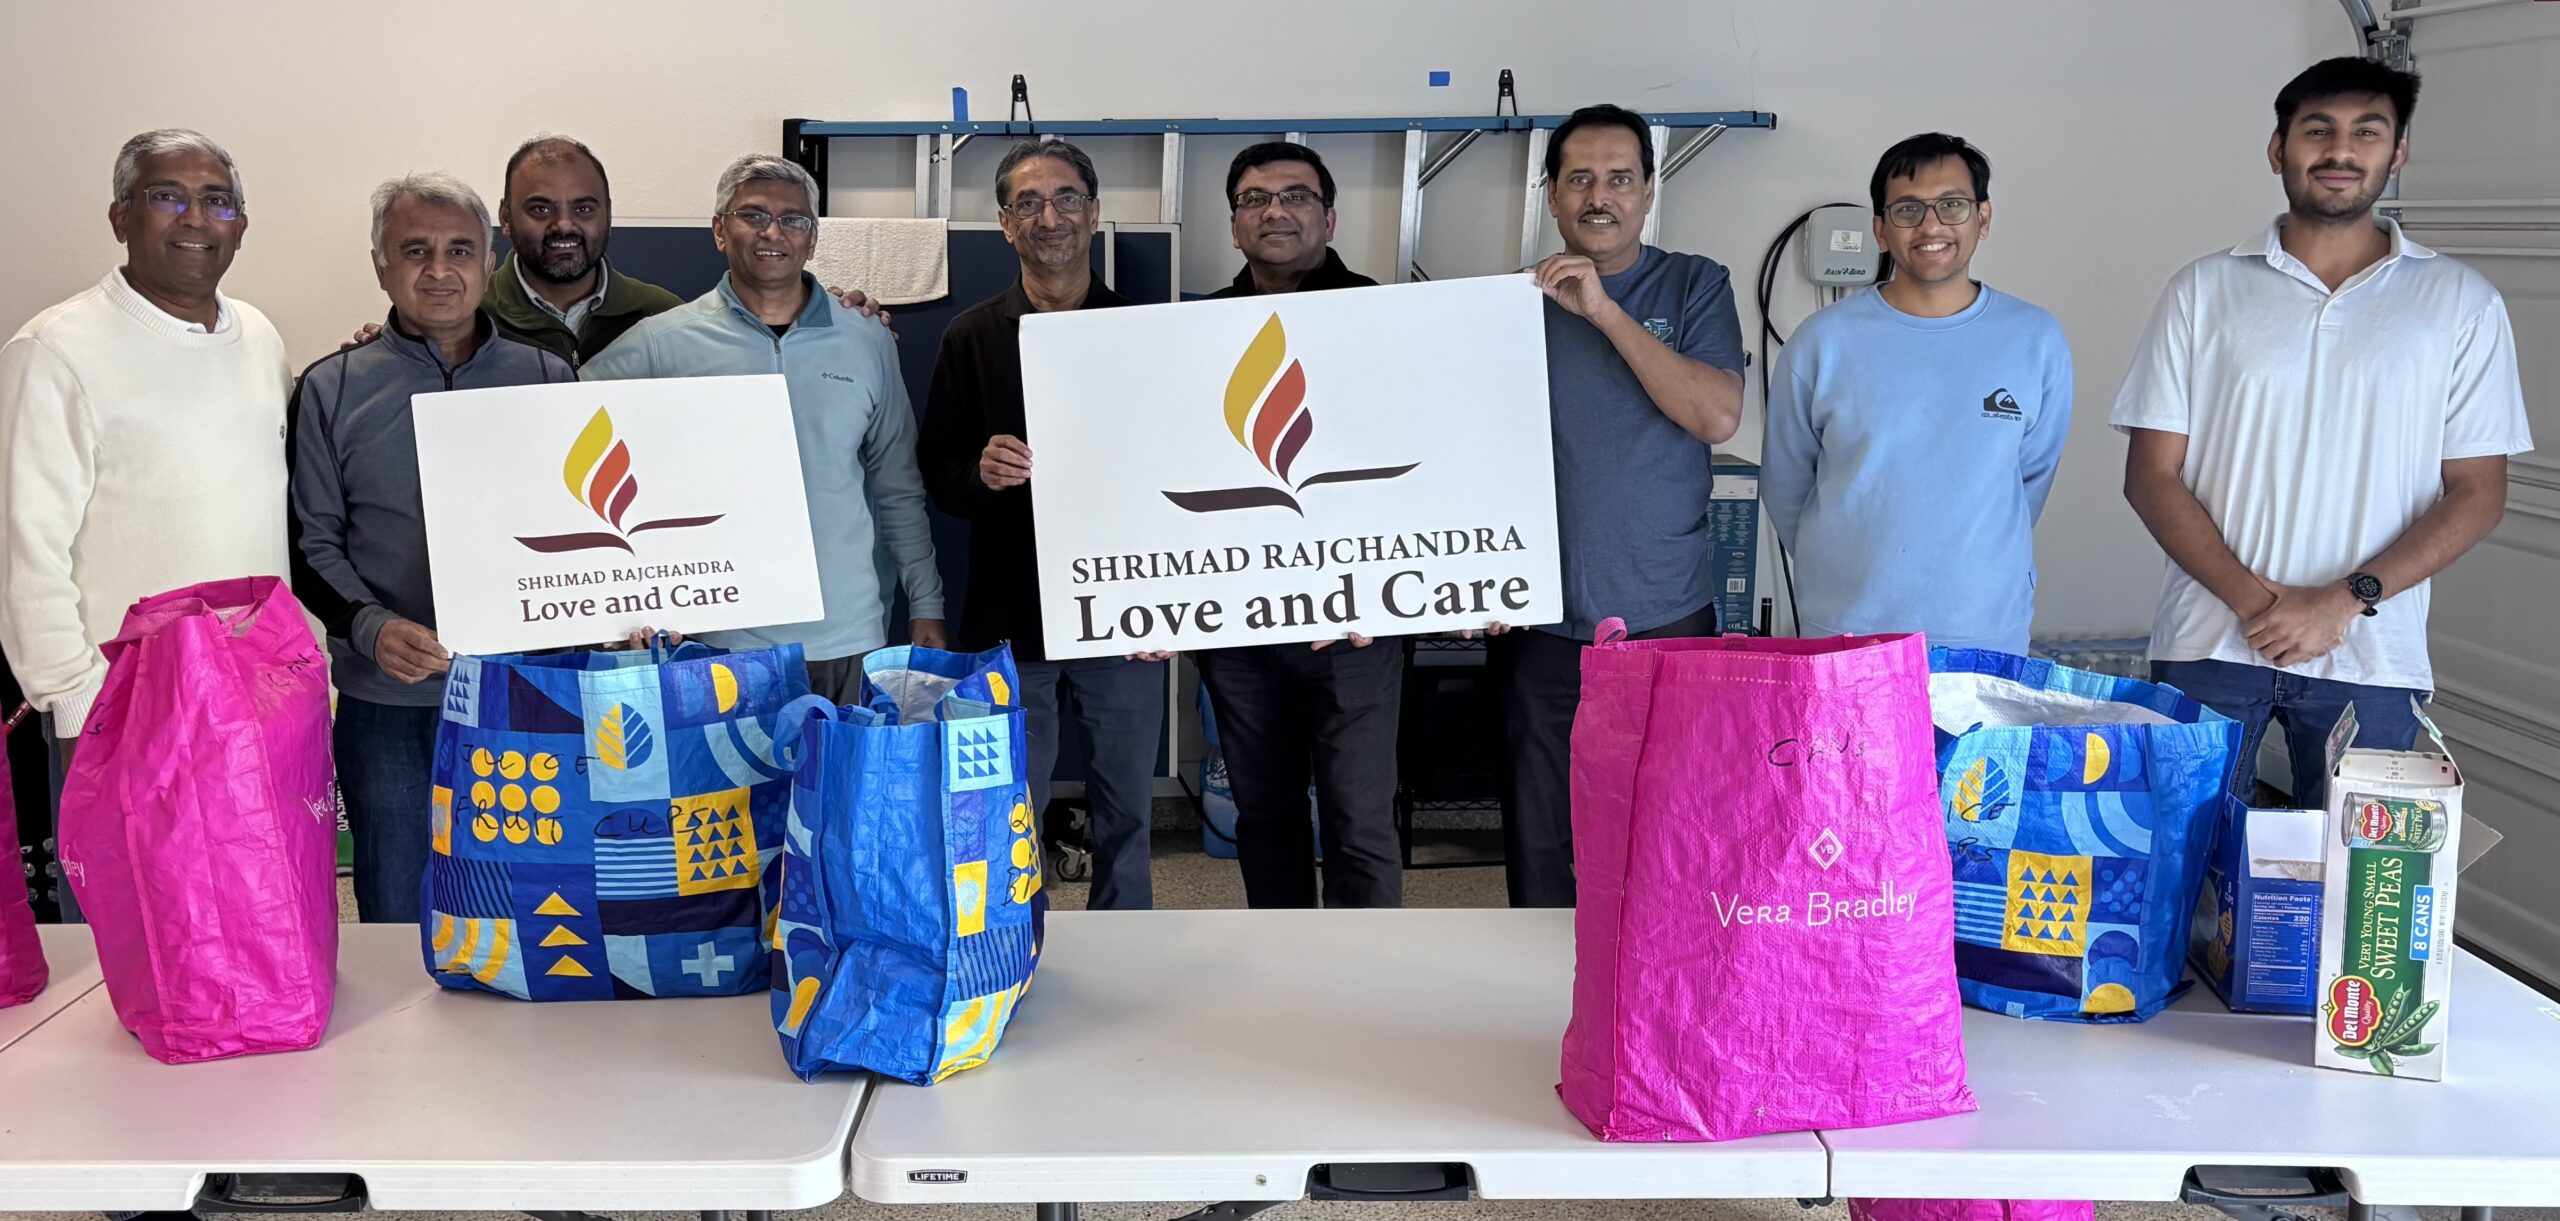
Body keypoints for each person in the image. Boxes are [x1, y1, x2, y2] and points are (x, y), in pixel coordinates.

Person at [2115, 57, 2531, 806]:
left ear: (2397, 153)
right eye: (2318, 131)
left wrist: (2341, 602)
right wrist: (2259, 606)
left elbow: (2478, 492)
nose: (2340, 151)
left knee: (2355, 875)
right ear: (2278, 148)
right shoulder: (2203, 290)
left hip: (2373, 660)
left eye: (2367, 133)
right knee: (2183, 866)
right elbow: (2151, 476)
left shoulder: (2460, 303)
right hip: (2209, 646)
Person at [0, 130, 292, 924]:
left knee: (246, 922)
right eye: (168, 196)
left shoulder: (260, 337)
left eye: (217, 201)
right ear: (119, 217)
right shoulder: (55, 350)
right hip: (125, 709)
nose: (195, 218)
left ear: (241, 225)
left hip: (255, 696)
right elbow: (28, 553)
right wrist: (76, 706)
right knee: (134, 934)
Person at [289, 173, 577, 923]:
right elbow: (310, 542)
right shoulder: (331, 387)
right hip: (388, 701)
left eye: (460, 250)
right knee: (397, 901)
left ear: (490, 262)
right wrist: (370, 627)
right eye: (415, 251)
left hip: (523, 693)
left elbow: (580, 529)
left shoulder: (546, 377)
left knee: (530, 904)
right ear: (380, 266)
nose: (440, 271)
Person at [1493, 103, 1745, 909]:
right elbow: (1472, 450)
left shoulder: (1696, 284)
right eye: (1579, 179)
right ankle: (1538, 982)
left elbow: (1715, 415)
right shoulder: (1506, 306)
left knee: (1669, 840)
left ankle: (1656, 982)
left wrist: (1603, 310)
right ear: (1551, 195)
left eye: (1619, 179)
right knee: (1540, 847)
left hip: (1666, 619)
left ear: (1647, 191)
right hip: (1539, 625)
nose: (1599, 197)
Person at [584, 154, 945, 703]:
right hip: (719, 641)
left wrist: (927, 603)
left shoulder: (867, 339)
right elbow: (561, 431)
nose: (773, 232)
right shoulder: (663, 343)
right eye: (752, 215)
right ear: (718, 230)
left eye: (793, 219)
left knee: (843, 764)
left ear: (813, 239)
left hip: (847, 635)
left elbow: (898, 486)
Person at [918, 139, 1165, 912]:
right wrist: (980, 474)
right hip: (1010, 615)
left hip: (1124, 611)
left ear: (1093, 213)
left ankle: (1127, 943)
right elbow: (938, 475)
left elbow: (1182, 473)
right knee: (1009, 808)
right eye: (1027, 203)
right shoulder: (969, 337)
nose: (1048, 217)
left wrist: (1176, 601)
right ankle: (1017, 943)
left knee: (1128, 810)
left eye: (1065, 199)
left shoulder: (1147, 333)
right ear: (1003, 222)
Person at [1190, 142, 1403, 909]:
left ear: (1329, 217)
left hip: (1358, 625)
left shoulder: (1388, 319)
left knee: (1358, 821)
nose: (1274, 210)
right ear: (1235, 226)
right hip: (1239, 625)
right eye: (1254, 199)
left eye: (1295, 196)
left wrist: (1387, 585)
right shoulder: (1195, 330)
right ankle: (1285, 966)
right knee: (1265, 815)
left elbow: (1425, 460)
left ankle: (1367, 973)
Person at [1762, 134, 2072, 653]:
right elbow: (1786, 484)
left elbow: (2028, 479)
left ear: (1983, 218)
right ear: (1880, 231)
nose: (1931, 226)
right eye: (1908, 209)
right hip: (1847, 633)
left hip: (1984, 630)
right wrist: (1845, 570)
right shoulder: (1822, 342)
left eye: (1952, 205)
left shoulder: (2035, 338)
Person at [348, 135, 886, 359]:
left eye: (584, 208)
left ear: (608, 214)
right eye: (540, 209)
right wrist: (388, 348)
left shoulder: (662, 317)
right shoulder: (463, 319)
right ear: (505, 219)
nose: (565, 226)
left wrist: (844, 314)